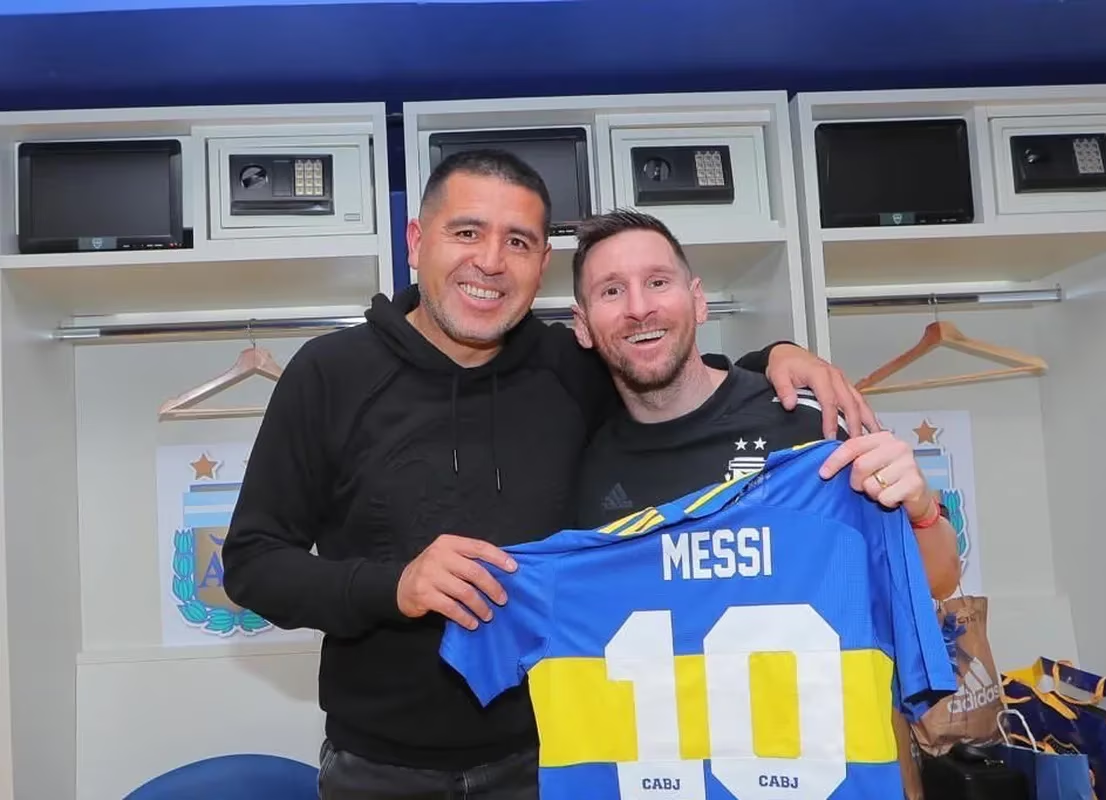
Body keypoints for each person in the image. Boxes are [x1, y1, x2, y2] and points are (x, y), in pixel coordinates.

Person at [220, 148, 880, 798]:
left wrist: (777, 356)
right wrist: (396, 586)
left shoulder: (571, 367)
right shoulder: (329, 374)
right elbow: (252, 563)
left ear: (541, 265)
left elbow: (665, 367)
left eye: (518, 241)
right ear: (417, 241)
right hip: (378, 771)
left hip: (559, 756)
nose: (489, 261)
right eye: (467, 232)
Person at [568, 208, 961, 599]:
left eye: (657, 281)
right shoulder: (586, 471)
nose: (639, 308)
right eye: (612, 291)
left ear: (698, 301)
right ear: (582, 327)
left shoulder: (808, 419)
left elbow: (938, 583)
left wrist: (923, 512)